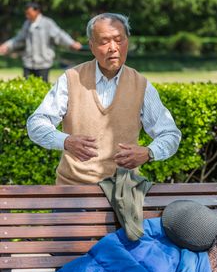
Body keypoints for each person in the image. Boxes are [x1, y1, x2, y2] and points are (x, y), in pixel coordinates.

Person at [27, 12, 181, 185]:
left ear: (127, 42)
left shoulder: (141, 85)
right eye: (104, 41)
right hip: (73, 189)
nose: (113, 47)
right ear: (91, 46)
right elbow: (36, 123)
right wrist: (66, 141)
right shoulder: (71, 79)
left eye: (119, 39)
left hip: (123, 193)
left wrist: (149, 152)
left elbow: (170, 134)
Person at [0, 1, 82, 82]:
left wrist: (72, 43)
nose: (27, 16)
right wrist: (7, 45)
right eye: (26, 14)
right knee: (26, 87)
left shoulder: (47, 23)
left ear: (37, 11)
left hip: (43, 64)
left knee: (42, 88)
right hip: (28, 63)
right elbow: (19, 38)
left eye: (29, 13)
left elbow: (60, 35)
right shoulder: (27, 24)